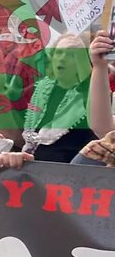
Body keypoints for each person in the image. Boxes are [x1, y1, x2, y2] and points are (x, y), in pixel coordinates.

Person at [22, 34, 95, 163]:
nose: (62, 59)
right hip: (32, 164)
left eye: (71, 55)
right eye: (59, 53)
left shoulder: (92, 91)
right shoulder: (42, 87)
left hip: (69, 170)